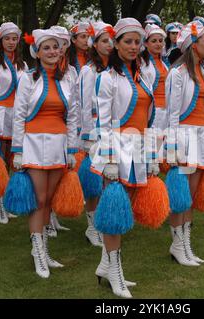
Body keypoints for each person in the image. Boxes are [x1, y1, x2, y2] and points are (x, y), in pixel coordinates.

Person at [90, 17, 156, 298]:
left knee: (122, 210)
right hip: (116, 149)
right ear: (115, 44)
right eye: (127, 41)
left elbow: (149, 119)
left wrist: (152, 154)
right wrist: (109, 160)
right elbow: (102, 122)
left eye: (136, 42)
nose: (133, 46)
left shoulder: (144, 76)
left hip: (138, 147)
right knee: (114, 215)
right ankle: (115, 273)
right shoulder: (106, 78)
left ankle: (106, 267)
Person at [13, 29, 79, 278]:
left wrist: (72, 149)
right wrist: (17, 150)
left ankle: (44, 250)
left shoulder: (67, 79)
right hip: (34, 143)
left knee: (50, 200)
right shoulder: (28, 79)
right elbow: (18, 116)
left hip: (58, 144)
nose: (53, 52)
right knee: (39, 199)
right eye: (47, 48)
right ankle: (37, 252)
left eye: (56, 47)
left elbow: (72, 116)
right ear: (37, 52)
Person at [165, 20, 204, 265]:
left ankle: (186, 244)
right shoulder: (177, 74)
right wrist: (173, 146)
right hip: (184, 136)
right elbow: (172, 113)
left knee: (192, 195)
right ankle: (177, 245)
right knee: (181, 196)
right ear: (193, 45)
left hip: (200, 137)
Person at [78, 21, 114, 247]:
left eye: (111, 40)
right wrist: (87, 136)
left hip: (110, 129)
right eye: (104, 41)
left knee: (107, 178)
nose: (109, 45)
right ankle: (92, 227)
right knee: (94, 179)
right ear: (95, 43)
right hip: (93, 128)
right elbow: (83, 105)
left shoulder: (114, 70)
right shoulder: (88, 70)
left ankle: (103, 222)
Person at [0, 22, 28, 224]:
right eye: (7, 39)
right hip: (1, 114)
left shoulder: (22, 65)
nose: (11, 42)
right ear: (0, 40)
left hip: (17, 115)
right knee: (0, 159)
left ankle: (4, 200)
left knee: (14, 159)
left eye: (14, 39)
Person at [46, 25, 73, 236]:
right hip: (45, 133)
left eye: (63, 44)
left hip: (64, 129)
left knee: (59, 175)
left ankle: (53, 214)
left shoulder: (70, 71)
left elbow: (75, 104)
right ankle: (47, 219)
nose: (60, 49)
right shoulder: (40, 73)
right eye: (57, 44)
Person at [140, 23, 170, 156]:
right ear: (146, 44)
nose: (158, 44)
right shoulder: (142, 63)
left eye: (160, 40)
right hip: (153, 111)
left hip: (166, 110)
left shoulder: (164, 63)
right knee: (153, 149)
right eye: (153, 41)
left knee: (164, 150)